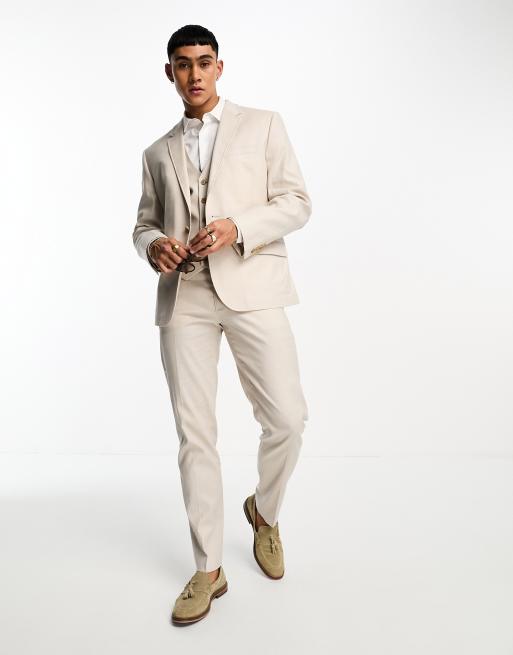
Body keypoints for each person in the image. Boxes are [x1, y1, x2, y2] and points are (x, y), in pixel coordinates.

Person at [132, 24, 311, 626]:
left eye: (204, 62)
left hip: (252, 286)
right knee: (195, 434)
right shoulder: (156, 152)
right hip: (185, 297)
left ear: (220, 67)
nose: (195, 74)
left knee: (287, 418)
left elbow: (297, 203)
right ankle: (208, 568)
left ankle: (264, 511)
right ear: (170, 73)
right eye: (183, 64)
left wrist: (239, 227)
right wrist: (154, 245)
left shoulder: (263, 126)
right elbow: (143, 223)